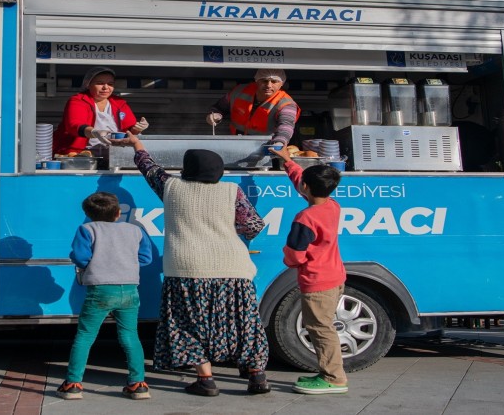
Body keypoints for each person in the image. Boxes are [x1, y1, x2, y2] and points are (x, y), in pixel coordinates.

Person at [111, 132, 271, 397]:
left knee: (188, 324)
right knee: (245, 322)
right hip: (233, 268)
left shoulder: (172, 188)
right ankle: (257, 377)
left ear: (187, 169)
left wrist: (136, 143)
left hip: (187, 269)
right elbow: (252, 226)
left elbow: (149, 168)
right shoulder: (232, 191)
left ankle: (206, 380)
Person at [56, 192, 154, 401]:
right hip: (129, 289)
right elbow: (145, 258)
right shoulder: (135, 231)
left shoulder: (87, 229)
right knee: (130, 336)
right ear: (119, 213)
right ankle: (138, 384)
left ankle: (73, 384)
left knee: (85, 336)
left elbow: (81, 258)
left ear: (88, 214)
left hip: (99, 290)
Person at [269, 146, 349, 395]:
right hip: (334, 277)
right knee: (323, 326)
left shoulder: (305, 218)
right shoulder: (331, 206)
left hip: (317, 282)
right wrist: (289, 163)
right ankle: (329, 372)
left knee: (320, 328)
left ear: (306, 188)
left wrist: (289, 261)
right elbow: (304, 186)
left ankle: (334, 378)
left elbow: (295, 254)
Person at [53, 66, 149, 156]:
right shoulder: (78, 100)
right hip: (79, 154)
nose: (105, 87)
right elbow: (73, 126)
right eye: (100, 83)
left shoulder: (119, 103)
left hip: (113, 153)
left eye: (110, 84)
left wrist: (138, 128)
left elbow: (129, 130)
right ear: (88, 84)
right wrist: (95, 132)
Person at [206, 68, 300, 146]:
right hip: (235, 144)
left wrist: (280, 142)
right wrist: (215, 115)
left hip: (265, 148)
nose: (268, 85)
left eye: (274, 82)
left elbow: (286, 126)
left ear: (282, 83)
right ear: (257, 80)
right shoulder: (239, 91)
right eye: (264, 80)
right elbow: (219, 107)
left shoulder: (286, 104)